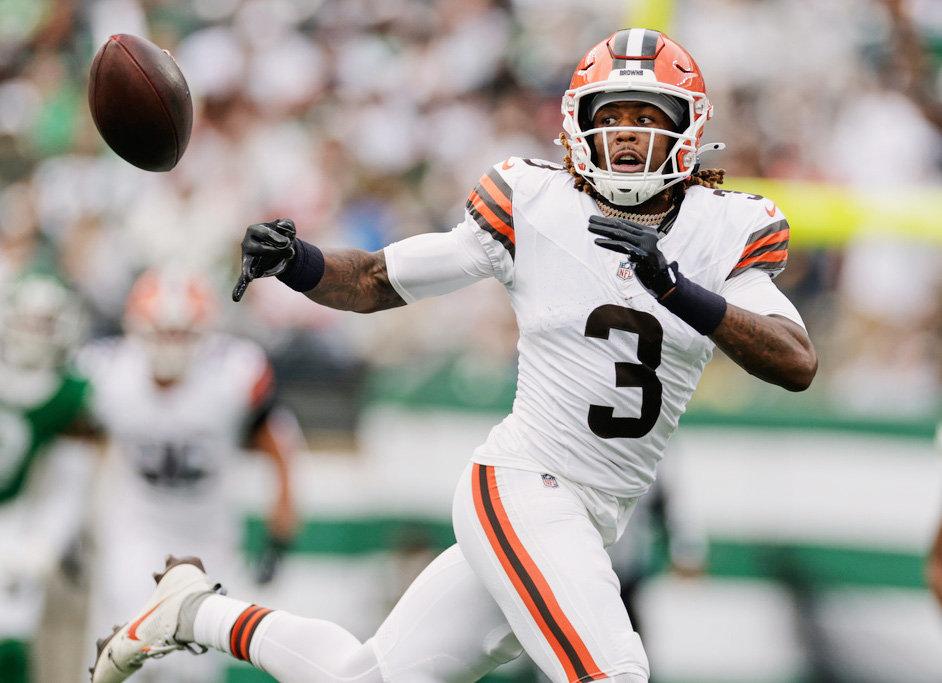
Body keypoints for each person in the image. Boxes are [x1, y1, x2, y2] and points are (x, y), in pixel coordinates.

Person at [89, 28, 817, 683]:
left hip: (597, 512)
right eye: (611, 115)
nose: (627, 135)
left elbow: (794, 360)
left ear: (689, 131)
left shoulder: (727, 228)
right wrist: (301, 261)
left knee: (361, 676)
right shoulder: (536, 201)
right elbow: (380, 279)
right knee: (615, 671)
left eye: (648, 117)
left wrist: (676, 287)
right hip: (525, 485)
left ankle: (193, 612)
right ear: (577, 126)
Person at [80, 266, 300, 683]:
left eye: (181, 333)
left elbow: (281, 443)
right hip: (135, 529)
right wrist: (73, 523)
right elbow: (74, 444)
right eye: (160, 332)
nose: (170, 345)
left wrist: (281, 529)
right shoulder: (109, 374)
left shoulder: (233, 373)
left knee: (194, 664)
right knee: (125, 647)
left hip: (209, 537)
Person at [0, 271, 96, 683]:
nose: (33, 333)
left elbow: (70, 484)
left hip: (13, 515)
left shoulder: (69, 393)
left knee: (10, 633)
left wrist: (45, 543)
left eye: (44, 323)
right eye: (26, 320)